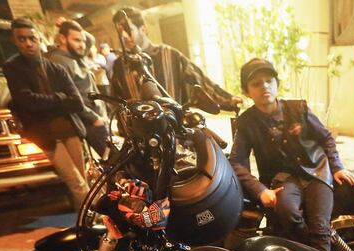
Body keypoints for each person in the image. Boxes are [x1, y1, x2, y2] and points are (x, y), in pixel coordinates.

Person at [230, 59, 354, 251]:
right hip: (283, 179)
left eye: (269, 80)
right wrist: (260, 190)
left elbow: (326, 138)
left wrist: (338, 167)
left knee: (320, 226)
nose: (264, 85)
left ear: (277, 84)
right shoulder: (246, 123)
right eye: (256, 83)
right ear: (247, 91)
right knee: (287, 215)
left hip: (316, 171)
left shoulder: (299, 109)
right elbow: (237, 162)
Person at [3, 18, 89, 211]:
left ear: (39, 38)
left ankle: (85, 227)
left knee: (81, 182)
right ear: (15, 41)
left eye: (31, 38)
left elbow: (76, 101)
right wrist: (60, 98)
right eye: (22, 39)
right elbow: (27, 102)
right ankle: (97, 219)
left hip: (69, 130)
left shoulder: (56, 68)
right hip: (46, 134)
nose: (28, 43)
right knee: (77, 183)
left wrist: (47, 101)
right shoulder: (13, 68)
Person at [111, 6, 239, 110]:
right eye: (120, 31)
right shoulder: (120, 65)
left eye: (128, 30)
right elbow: (117, 100)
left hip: (176, 130)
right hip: (141, 137)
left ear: (143, 29)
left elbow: (199, 80)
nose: (124, 36)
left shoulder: (169, 55)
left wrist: (228, 99)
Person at [47, 20, 109, 157]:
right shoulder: (59, 61)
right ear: (62, 39)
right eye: (76, 40)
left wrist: (69, 24)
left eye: (83, 41)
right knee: (114, 161)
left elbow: (90, 39)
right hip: (89, 121)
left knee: (113, 158)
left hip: (98, 118)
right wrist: (94, 118)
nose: (82, 45)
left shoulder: (76, 55)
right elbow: (69, 97)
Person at [85, 32, 111, 97]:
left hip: (103, 82)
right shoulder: (86, 59)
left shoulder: (100, 57)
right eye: (90, 49)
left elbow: (105, 68)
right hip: (95, 84)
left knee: (108, 99)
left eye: (92, 48)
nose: (91, 50)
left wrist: (98, 67)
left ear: (95, 49)